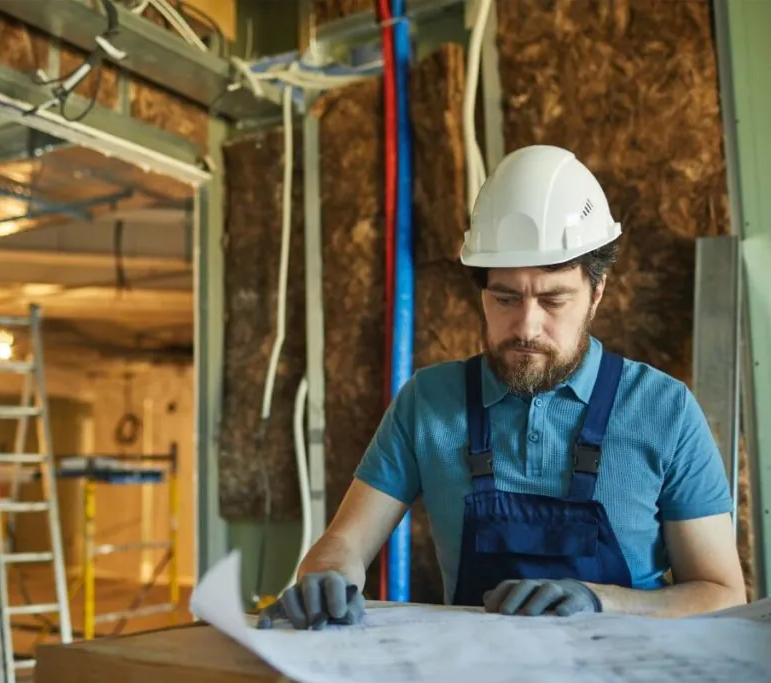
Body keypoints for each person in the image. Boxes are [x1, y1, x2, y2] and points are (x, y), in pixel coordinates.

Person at [257, 144, 747, 630]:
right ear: (481, 291)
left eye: (554, 300)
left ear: (597, 293)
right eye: (505, 298)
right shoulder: (429, 403)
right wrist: (326, 576)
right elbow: (343, 545)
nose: (527, 327)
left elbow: (721, 594)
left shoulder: (665, 410)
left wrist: (600, 601)